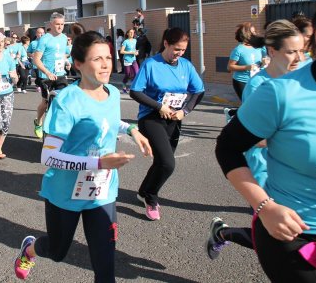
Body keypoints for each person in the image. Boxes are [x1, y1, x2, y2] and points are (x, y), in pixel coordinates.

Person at [13, 31, 153, 282]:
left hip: (102, 192)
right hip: (64, 193)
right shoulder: (67, 100)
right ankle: (30, 249)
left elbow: (105, 119)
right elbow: (49, 157)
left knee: (105, 266)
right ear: (78, 64)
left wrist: (132, 130)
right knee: (57, 251)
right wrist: (98, 162)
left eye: (108, 57)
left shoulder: (110, 91)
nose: (106, 64)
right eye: (97, 59)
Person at [214, 0, 316, 282]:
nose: (295, 57)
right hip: (300, 234)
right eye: (289, 52)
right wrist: (264, 206)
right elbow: (229, 146)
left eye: (297, 51)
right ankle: (229, 231)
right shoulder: (278, 92)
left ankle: (225, 232)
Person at [206, 19, 305, 259]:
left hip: (297, 170)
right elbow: (245, 140)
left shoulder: (301, 77)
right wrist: (291, 138)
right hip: (264, 170)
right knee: (279, 236)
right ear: (272, 51)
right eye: (292, 52)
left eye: (303, 50)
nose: (300, 58)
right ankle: (223, 234)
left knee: (297, 234)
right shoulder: (258, 86)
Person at [129, 28, 205, 220]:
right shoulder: (151, 64)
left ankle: (143, 191)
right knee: (168, 163)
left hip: (174, 119)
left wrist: (184, 111)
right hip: (151, 118)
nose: (179, 54)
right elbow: (135, 91)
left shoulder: (186, 66)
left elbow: (199, 91)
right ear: (165, 44)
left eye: (183, 50)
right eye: (176, 49)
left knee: (162, 162)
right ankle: (151, 199)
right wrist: (158, 106)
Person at [32, 13, 69, 139]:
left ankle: (58, 129)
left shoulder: (64, 38)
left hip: (60, 75)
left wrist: (67, 62)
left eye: (62, 24)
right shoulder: (45, 39)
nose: (60, 27)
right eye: (57, 24)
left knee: (64, 101)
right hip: (46, 76)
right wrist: (47, 72)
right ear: (51, 24)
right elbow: (36, 60)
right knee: (45, 102)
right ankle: (38, 122)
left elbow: (62, 54)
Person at [227, 22, 265, 100]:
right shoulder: (239, 50)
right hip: (242, 81)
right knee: (247, 104)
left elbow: (266, 59)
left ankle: (232, 112)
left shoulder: (258, 47)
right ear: (246, 34)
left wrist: (264, 62)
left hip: (256, 80)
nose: (255, 34)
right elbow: (230, 67)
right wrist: (247, 67)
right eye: (253, 32)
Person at [120, 28, 138, 93]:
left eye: (133, 32)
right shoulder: (125, 41)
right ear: (127, 34)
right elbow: (121, 51)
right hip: (127, 60)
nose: (132, 34)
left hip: (133, 59)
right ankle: (124, 84)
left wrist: (136, 52)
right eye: (130, 32)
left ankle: (133, 88)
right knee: (128, 75)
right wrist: (131, 52)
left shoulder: (135, 40)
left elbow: (135, 49)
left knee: (136, 73)